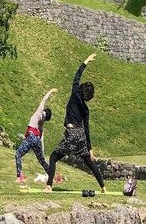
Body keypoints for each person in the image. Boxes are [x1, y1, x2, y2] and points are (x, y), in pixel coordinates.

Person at [45, 53, 106, 193]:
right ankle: (103, 187)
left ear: (81, 89)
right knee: (89, 162)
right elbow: (87, 129)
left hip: (71, 133)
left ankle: (49, 186)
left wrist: (86, 61)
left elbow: (77, 76)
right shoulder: (85, 109)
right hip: (80, 135)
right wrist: (90, 149)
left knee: (53, 157)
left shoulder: (74, 94)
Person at [15, 88, 56, 183]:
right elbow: (40, 136)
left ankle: (19, 177)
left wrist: (50, 91)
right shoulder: (42, 123)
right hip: (36, 139)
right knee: (42, 161)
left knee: (18, 155)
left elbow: (44, 100)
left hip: (31, 136)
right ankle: (51, 178)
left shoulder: (39, 112)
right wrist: (39, 146)